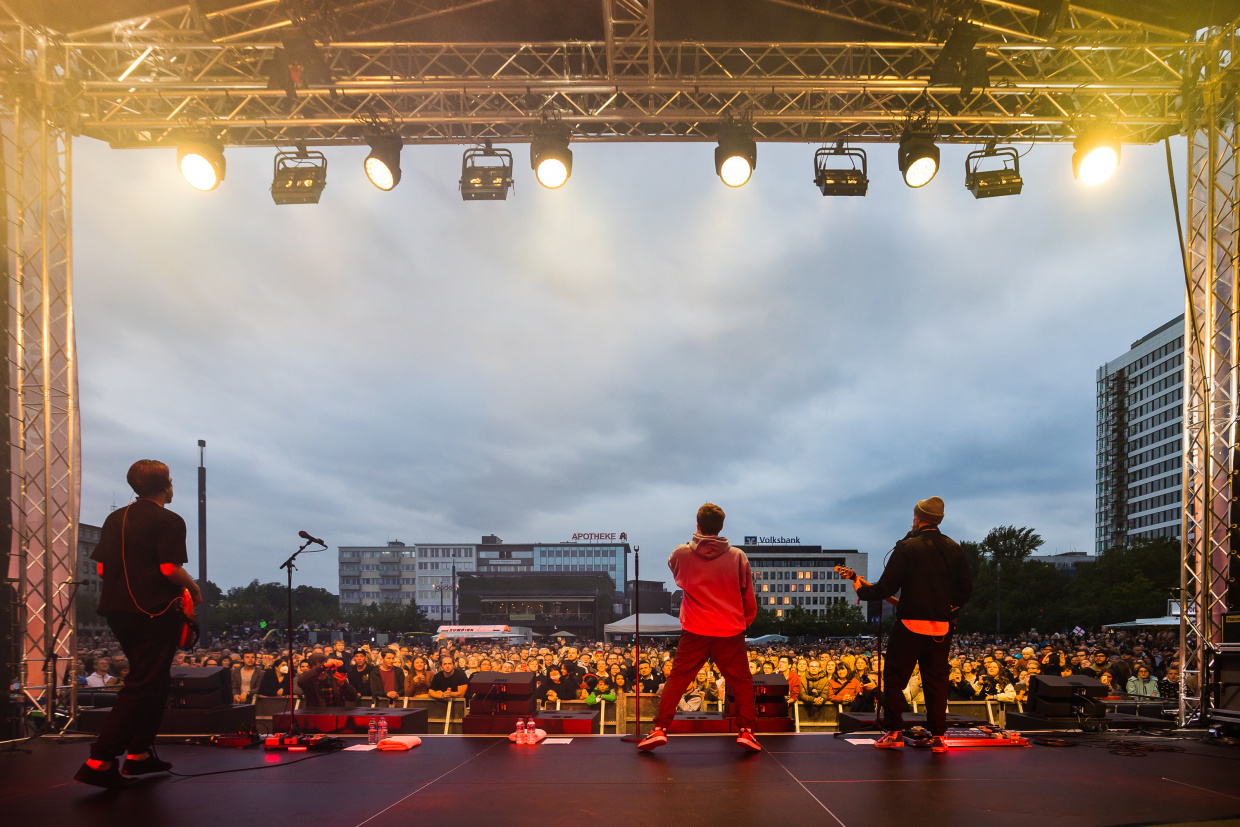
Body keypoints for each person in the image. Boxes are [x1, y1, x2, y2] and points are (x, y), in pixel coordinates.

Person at [76, 460, 202, 789]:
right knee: (144, 683)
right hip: (154, 613)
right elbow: (168, 568)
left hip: (117, 611)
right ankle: (100, 760)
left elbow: (103, 570)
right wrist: (193, 587)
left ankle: (139, 754)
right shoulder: (170, 520)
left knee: (155, 679)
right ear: (166, 485)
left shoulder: (115, 518)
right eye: (171, 481)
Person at [852, 496, 973, 754]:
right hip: (941, 628)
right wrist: (949, 608)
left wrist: (861, 591)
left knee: (895, 678)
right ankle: (939, 736)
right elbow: (965, 589)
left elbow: (887, 587)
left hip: (910, 625)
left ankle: (894, 731)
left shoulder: (907, 547)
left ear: (917, 518)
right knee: (936, 681)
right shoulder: (954, 548)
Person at [638, 503, 760, 753]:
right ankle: (746, 732)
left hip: (695, 629)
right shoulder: (738, 556)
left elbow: (674, 569)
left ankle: (660, 729)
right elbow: (748, 593)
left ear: (697, 525)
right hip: (729, 629)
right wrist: (744, 622)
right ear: (722, 527)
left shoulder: (682, 553)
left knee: (678, 679)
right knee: (741, 681)